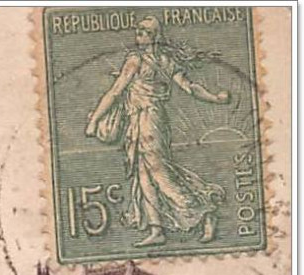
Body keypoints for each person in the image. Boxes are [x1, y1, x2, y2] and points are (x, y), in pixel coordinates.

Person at [85, 15, 233, 247]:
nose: (138, 34)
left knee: (158, 172)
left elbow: (115, 92)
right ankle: (157, 229)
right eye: (138, 30)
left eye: (143, 31)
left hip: (149, 119)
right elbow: (190, 88)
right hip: (141, 120)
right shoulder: (164, 61)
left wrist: (95, 119)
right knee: (143, 174)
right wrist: (216, 98)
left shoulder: (138, 61)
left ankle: (203, 211)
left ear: (154, 36)